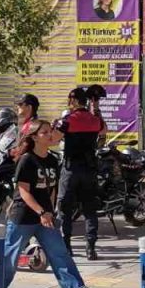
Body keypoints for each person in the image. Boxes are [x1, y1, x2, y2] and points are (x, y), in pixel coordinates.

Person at [2, 118, 94, 288]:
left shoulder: (52, 160)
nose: (49, 134)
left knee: (59, 253)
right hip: (23, 217)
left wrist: (50, 211)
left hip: (45, 217)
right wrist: (42, 211)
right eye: (44, 132)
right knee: (10, 259)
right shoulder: (27, 160)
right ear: (34, 137)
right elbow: (23, 191)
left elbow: (51, 190)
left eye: (49, 131)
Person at [55, 86, 104, 260]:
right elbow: (103, 131)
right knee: (90, 210)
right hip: (89, 170)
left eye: (70, 100)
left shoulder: (68, 120)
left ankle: (67, 247)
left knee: (65, 209)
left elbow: (54, 139)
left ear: (74, 101)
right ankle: (90, 248)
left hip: (70, 170)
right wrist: (95, 108)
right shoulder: (94, 119)